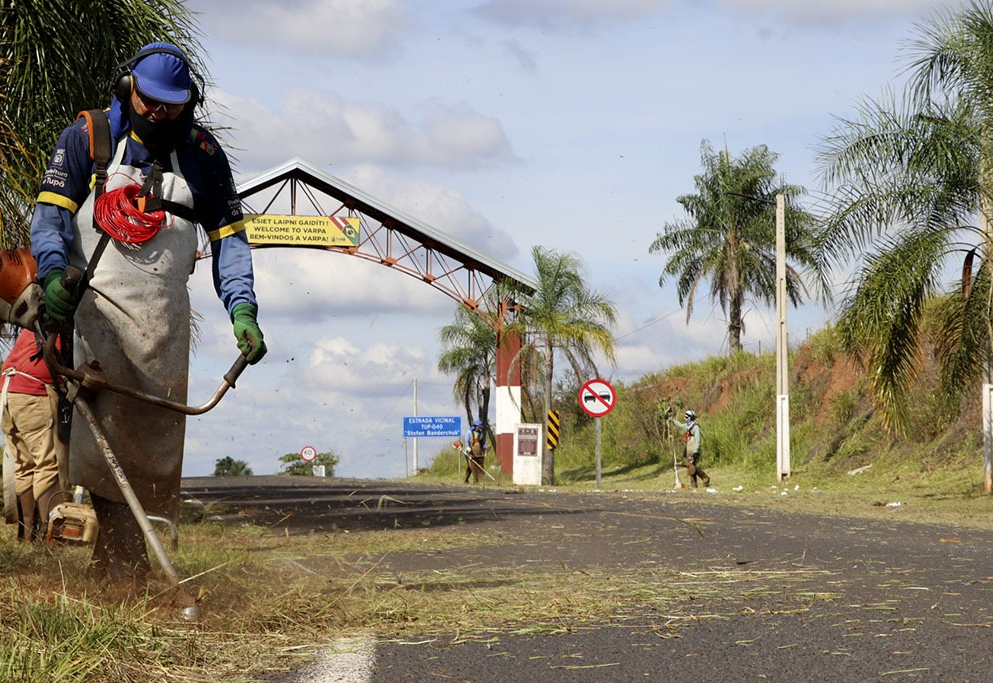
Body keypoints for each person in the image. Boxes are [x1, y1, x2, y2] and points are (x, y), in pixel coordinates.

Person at [30, 42, 267, 582]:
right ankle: (109, 563)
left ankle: (124, 563)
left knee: (156, 447)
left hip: (163, 322)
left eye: (173, 105)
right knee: (97, 431)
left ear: (190, 103)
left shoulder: (204, 156)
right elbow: (49, 217)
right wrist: (50, 276)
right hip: (93, 312)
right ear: (127, 89)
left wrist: (243, 310)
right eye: (151, 101)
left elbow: (229, 240)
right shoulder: (87, 138)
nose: (160, 114)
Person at [1, 328, 67, 541]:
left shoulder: (32, 324)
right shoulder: (65, 325)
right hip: (32, 391)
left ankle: (27, 534)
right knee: (47, 464)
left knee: (24, 464)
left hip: (7, 392)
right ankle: (50, 536)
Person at [669, 409, 710, 488]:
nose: (685, 418)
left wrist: (696, 451)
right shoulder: (688, 426)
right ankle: (694, 484)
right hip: (689, 449)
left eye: (686, 417)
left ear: (690, 418)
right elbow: (680, 425)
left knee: (691, 466)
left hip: (694, 450)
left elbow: (697, 440)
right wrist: (672, 420)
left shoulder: (695, 427)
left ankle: (705, 477)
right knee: (691, 466)